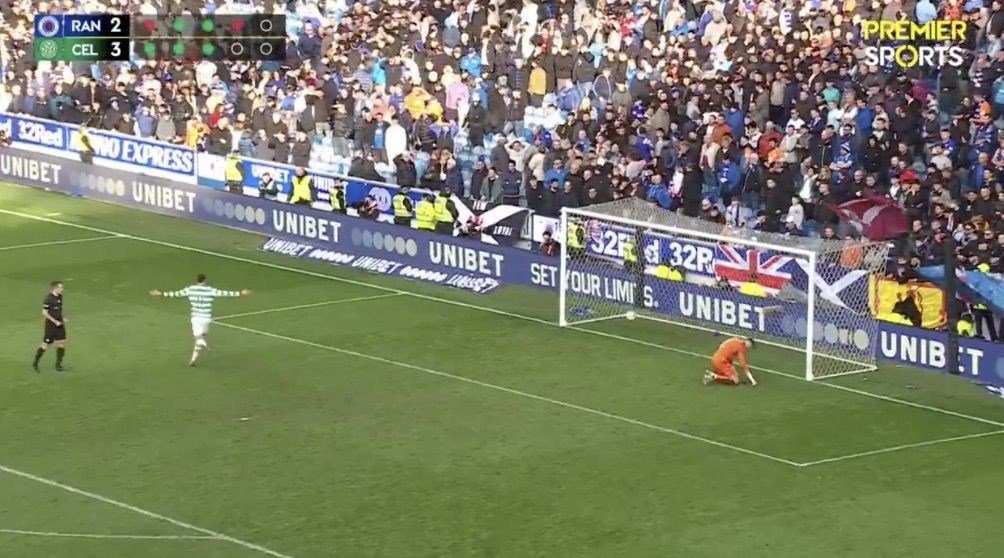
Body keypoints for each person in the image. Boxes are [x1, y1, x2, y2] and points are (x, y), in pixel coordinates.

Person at [149, 274, 251, 366]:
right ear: (205, 280)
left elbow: (175, 294)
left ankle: (201, 342)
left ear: (197, 280)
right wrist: (240, 293)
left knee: (198, 337)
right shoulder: (211, 290)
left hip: (196, 317)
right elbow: (226, 293)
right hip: (206, 318)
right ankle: (193, 359)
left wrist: (160, 294)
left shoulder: (190, 289)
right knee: (201, 336)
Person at [32, 281, 68, 372]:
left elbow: (59, 309)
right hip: (51, 325)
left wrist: (62, 318)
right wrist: (55, 321)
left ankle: (58, 365)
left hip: (59, 323)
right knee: (46, 344)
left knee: (62, 343)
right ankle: (35, 363)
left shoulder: (60, 296)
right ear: (55, 288)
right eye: (61, 287)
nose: (62, 289)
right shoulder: (48, 299)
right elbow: (44, 313)